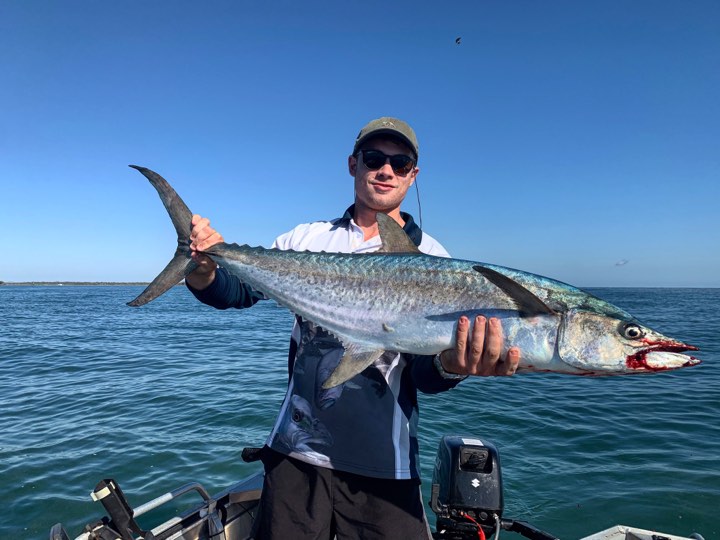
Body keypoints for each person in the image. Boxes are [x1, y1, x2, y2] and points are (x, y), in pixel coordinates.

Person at [185, 117, 521, 540]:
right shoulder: (307, 239)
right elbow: (236, 292)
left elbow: (423, 373)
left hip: (385, 465)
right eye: (374, 158)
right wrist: (202, 270)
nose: (386, 170)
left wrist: (454, 365)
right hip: (295, 452)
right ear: (353, 164)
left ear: (413, 176)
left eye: (400, 164)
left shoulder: (435, 259)